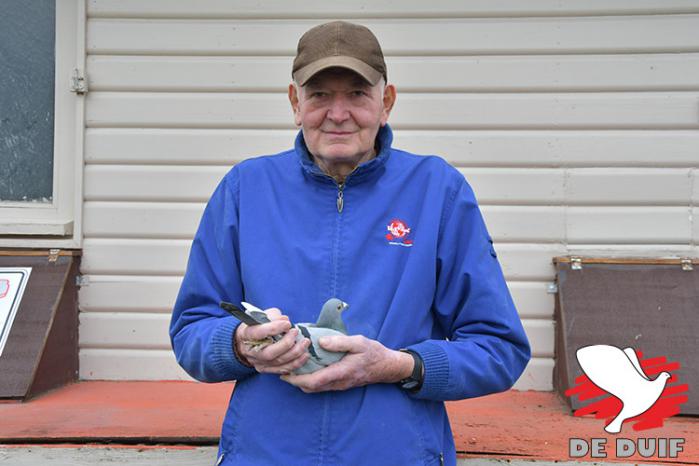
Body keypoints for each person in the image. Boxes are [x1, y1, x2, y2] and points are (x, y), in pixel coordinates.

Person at [170, 20, 530, 466]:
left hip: (396, 454)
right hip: (265, 454)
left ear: (387, 102)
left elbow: (499, 349)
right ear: (294, 103)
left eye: (357, 94)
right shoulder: (245, 189)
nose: (337, 113)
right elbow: (191, 331)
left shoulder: (438, 191)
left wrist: (399, 366)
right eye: (319, 94)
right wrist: (240, 343)